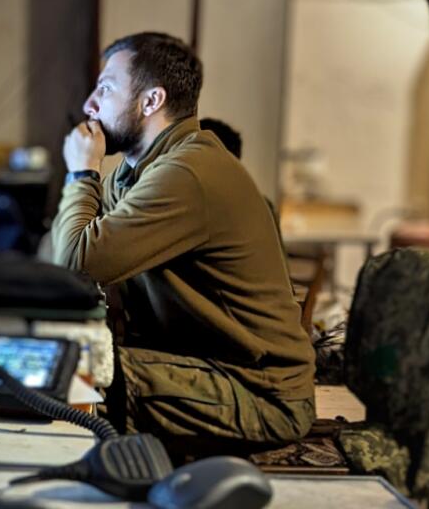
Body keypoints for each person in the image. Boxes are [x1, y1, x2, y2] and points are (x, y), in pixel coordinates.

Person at [51, 32, 315, 459]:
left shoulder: (188, 173)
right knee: (64, 359)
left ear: (151, 100)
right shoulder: (138, 173)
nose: (90, 104)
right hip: (206, 371)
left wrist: (82, 172)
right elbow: (63, 257)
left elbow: (76, 262)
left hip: (258, 393)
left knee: (81, 375)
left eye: (106, 88)